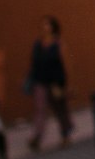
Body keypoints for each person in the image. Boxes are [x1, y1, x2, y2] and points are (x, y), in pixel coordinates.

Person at [25, 15, 73, 150]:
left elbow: (66, 64)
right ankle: (37, 137)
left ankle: (66, 134)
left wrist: (68, 84)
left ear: (53, 27)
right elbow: (32, 63)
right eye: (43, 24)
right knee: (40, 109)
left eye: (47, 24)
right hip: (40, 81)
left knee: (60, 109)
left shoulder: (59, 44)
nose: (44, 27)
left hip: (55, 82)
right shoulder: (37, 44)